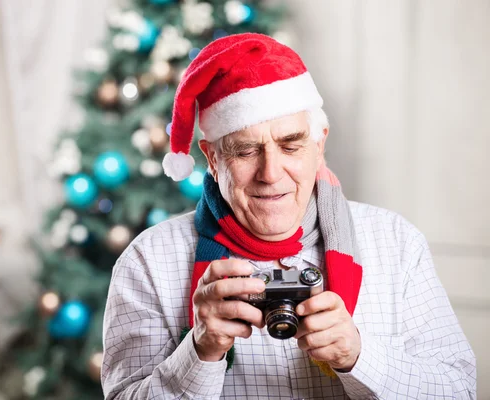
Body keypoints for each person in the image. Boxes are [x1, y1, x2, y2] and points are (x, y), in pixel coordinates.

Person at [101, 33, 476, 399]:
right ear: (212, 159)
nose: (271, 173)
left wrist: (359, 356)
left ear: (319, 144)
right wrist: (200, 351)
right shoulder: (148, 261)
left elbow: (459, 390)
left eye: (290, 145)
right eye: (246, 151)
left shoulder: (396, 242)